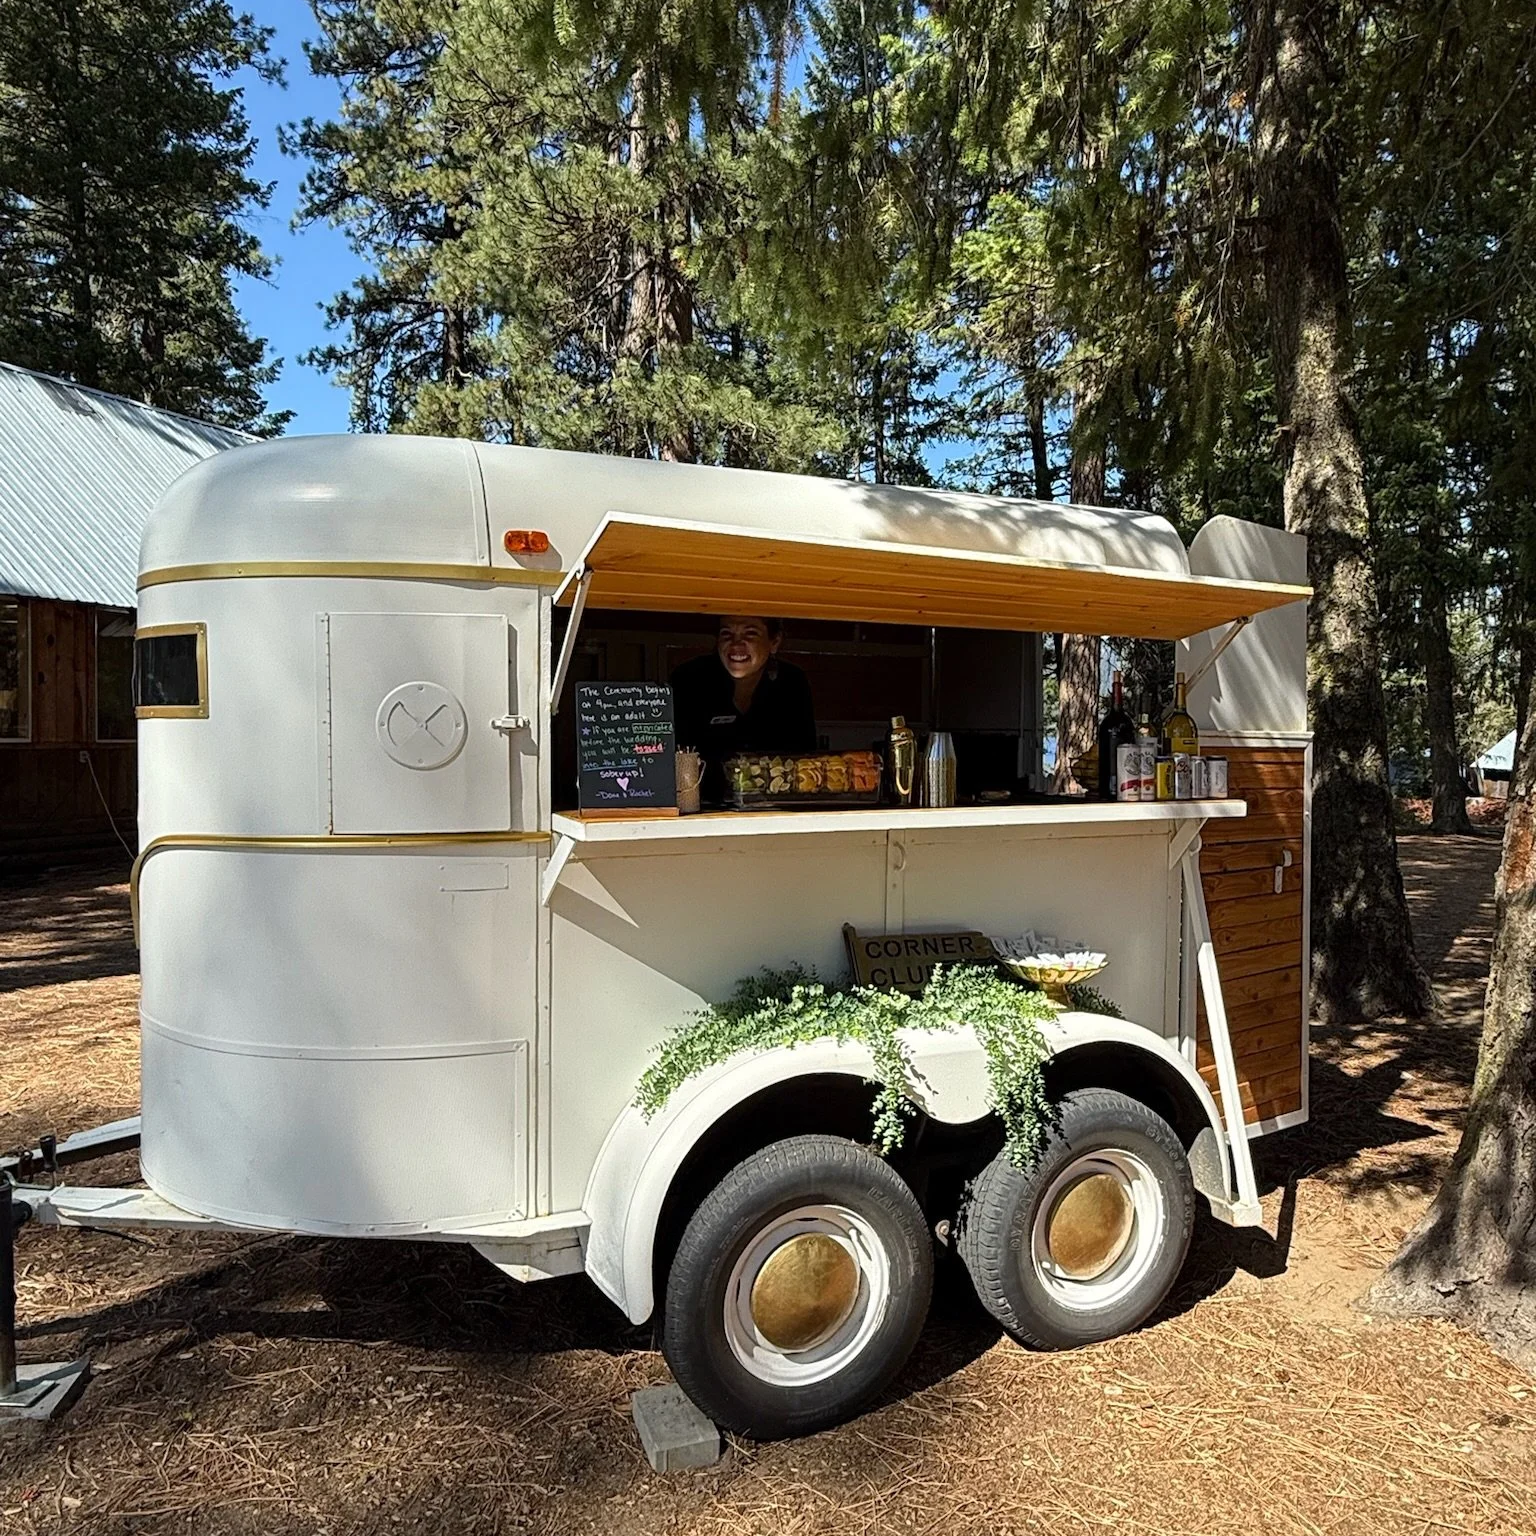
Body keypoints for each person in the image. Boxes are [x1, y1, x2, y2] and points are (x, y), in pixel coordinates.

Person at [671, 616, 817, 803]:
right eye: (727, 634)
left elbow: (805, 756)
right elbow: (674, 756)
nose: (736, 645)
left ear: (774, 642)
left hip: (777, 810)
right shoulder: (689, 679)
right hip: (702, 811)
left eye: (750, 634)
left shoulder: (791, 682)